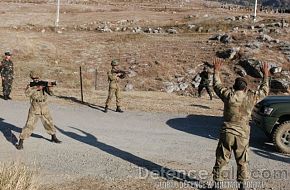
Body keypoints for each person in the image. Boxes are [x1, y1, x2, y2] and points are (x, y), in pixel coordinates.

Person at [212, 58, 269, 190]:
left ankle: (218, 185)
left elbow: (217, 86)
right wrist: (265, 74)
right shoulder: (251, 97)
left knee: (222, 158)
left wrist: (216, 71)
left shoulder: (228, 96)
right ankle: (243, 186)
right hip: (242, 134)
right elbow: (264, 90)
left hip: (227, 132)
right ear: (245, 89)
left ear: (234, 87)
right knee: (242, 160)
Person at [16, 70, 61, 150]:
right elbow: (27, 94)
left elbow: (51, 94)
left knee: (49, 123)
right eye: (34, 78)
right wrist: (36, 88)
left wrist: (49, 87)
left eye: (37, 78)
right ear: (32, 78)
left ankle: (53, 137)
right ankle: (21, 142)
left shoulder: (43, 83)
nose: (36, 79)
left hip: (44, 107)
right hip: (35, 107)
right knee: (29, 125)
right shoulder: (30, 85)